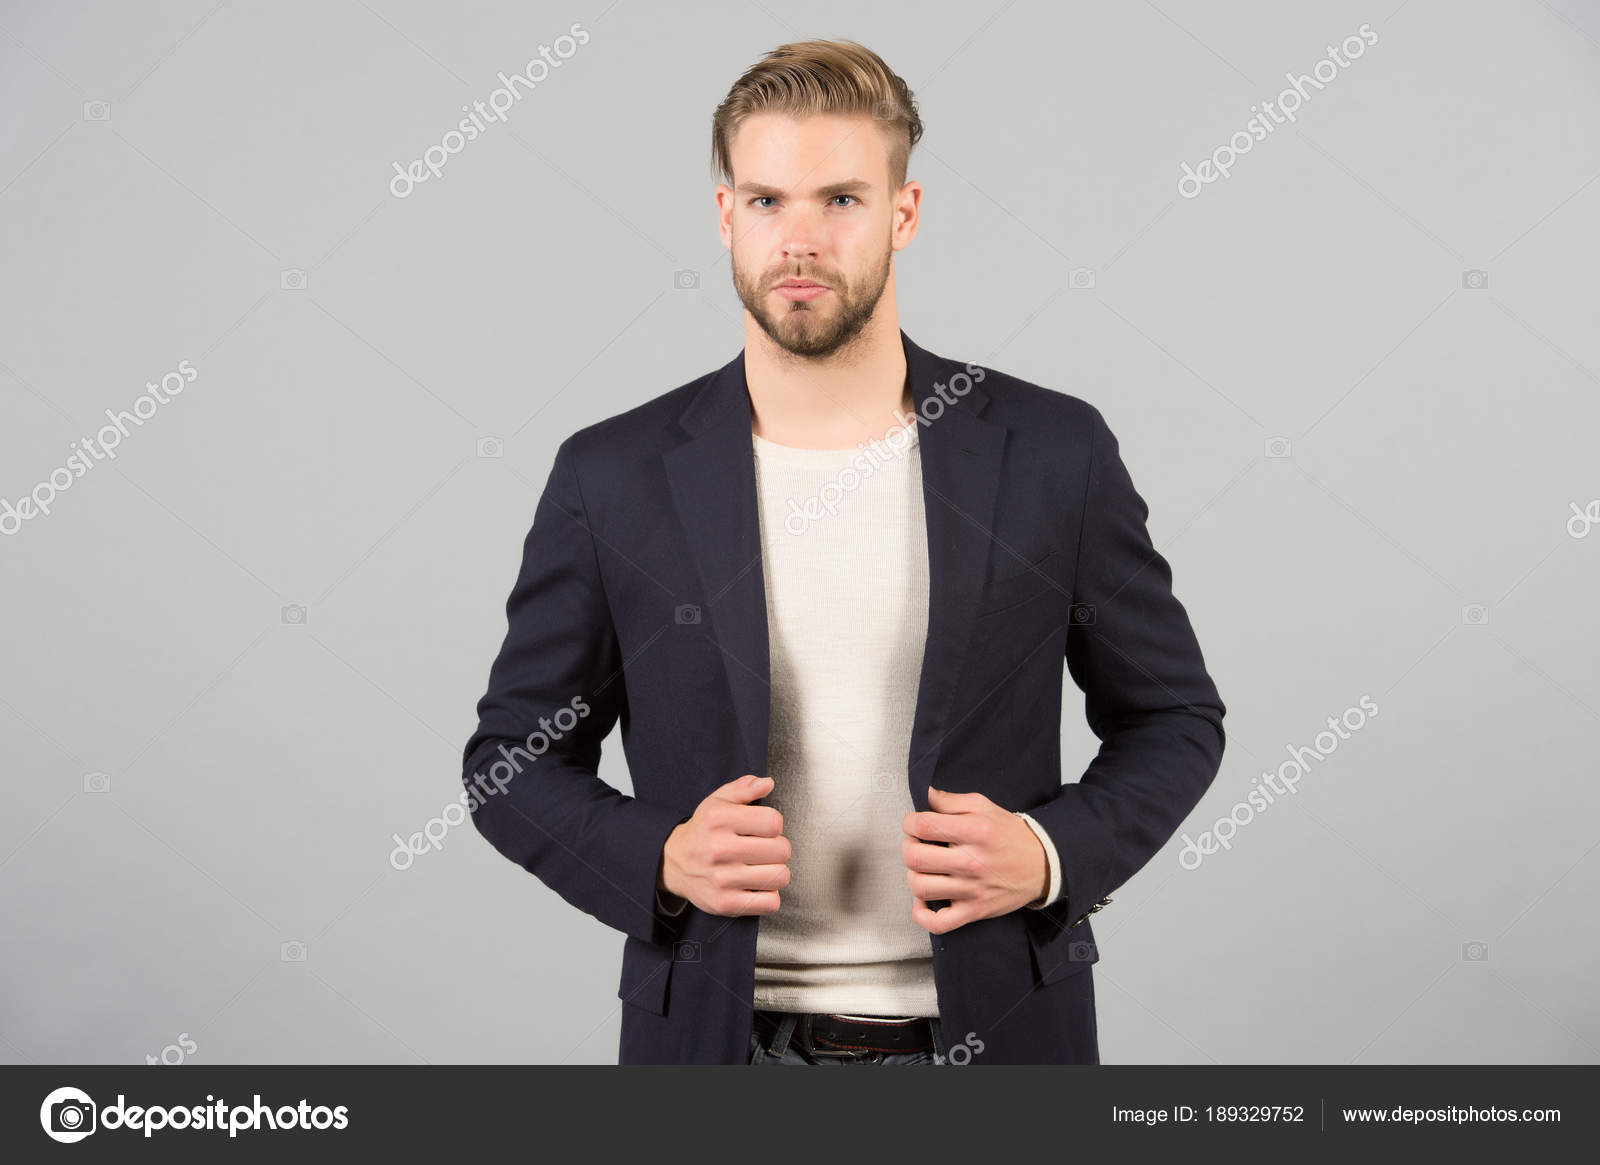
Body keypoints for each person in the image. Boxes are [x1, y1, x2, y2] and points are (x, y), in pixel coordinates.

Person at [463, 38, 1225, 1065]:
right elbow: (510, 762)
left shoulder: (1053, 452)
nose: (801, 239)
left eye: (841, 200)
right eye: (769, 201)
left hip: (996, 1038)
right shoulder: (614, 476)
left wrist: (1048, 853)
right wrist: (663, 858)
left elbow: (1174, 715)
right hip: (717, 1046)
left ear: (903, 214)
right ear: (726, 215)